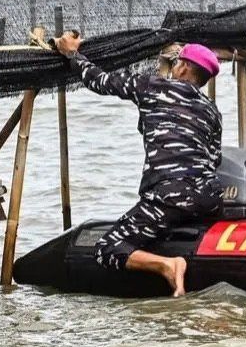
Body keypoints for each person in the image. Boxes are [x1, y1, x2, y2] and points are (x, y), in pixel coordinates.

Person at [54, 36, 222, 297]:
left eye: (178, 62)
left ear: (185, 68)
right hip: (208, 199)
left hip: (169, 197)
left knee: (108, 248)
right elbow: (214, 160)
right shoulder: (212, 111)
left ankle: (168, 264)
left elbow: (100, 81)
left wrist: (72, 55)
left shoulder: (152, 86)